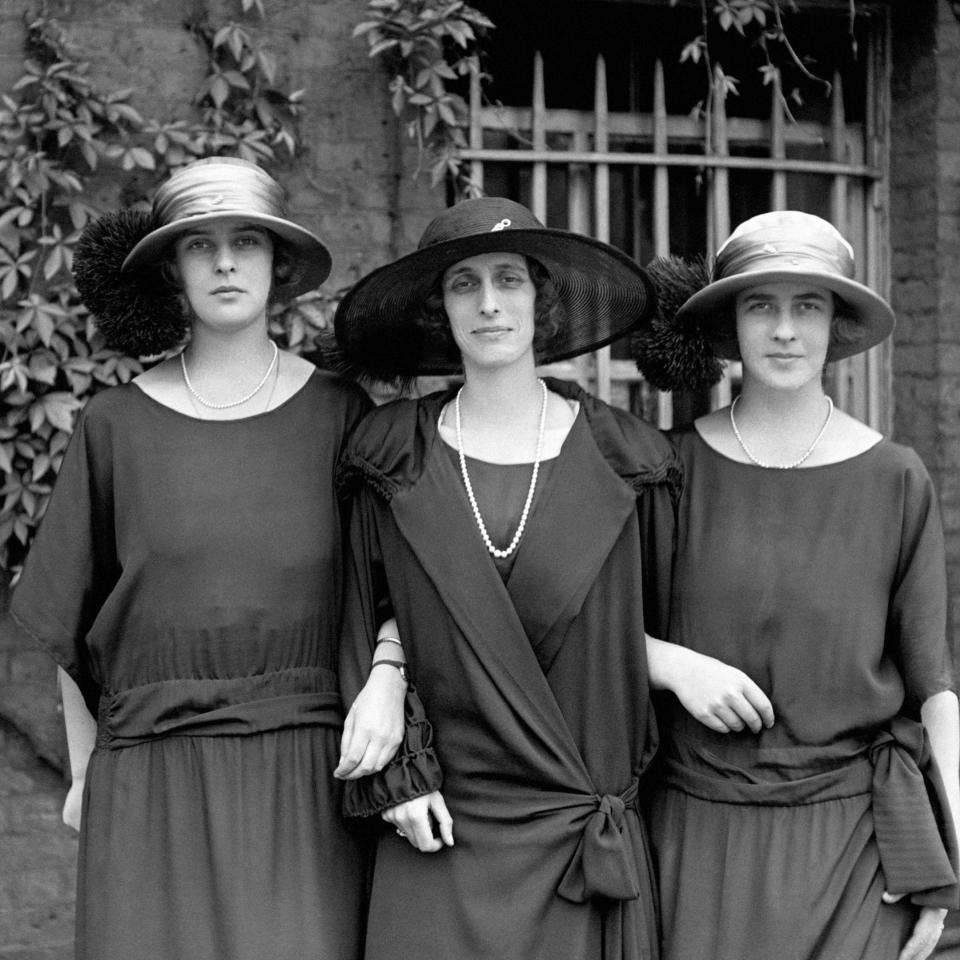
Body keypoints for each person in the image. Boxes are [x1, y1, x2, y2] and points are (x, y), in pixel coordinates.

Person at [8, 156, 405, 960]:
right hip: (151, 782)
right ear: (172, 270)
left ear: (279, 262)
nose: (225, 263)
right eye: (200, 246)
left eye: (246, 241)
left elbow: (400, 586)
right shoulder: (114, 426)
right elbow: (71, 620)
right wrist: (86, 775)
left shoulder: (342, 417)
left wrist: (390, 679)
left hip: (305, 783)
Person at [333, 196, 682, 960]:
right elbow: (365, 610)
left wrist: (676, 661)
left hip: (577, 843)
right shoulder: (391, 454)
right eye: (464, 284)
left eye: (508, 280)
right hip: (436, 828)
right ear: (440, 310)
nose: (489, 304)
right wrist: (395, 742)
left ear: (541, 298)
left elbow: (648, 626)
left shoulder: (631, 460)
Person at [633, 210, 960, 960]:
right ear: (730, 323)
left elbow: (934, 688)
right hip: (695, 843)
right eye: (761, 305)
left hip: (853, 853)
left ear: (836, 321)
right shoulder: (666, 471)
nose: (784, 330)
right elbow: (595, 629)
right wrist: (672, 663)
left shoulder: (895, 480)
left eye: (806, 305)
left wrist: (948, 868)